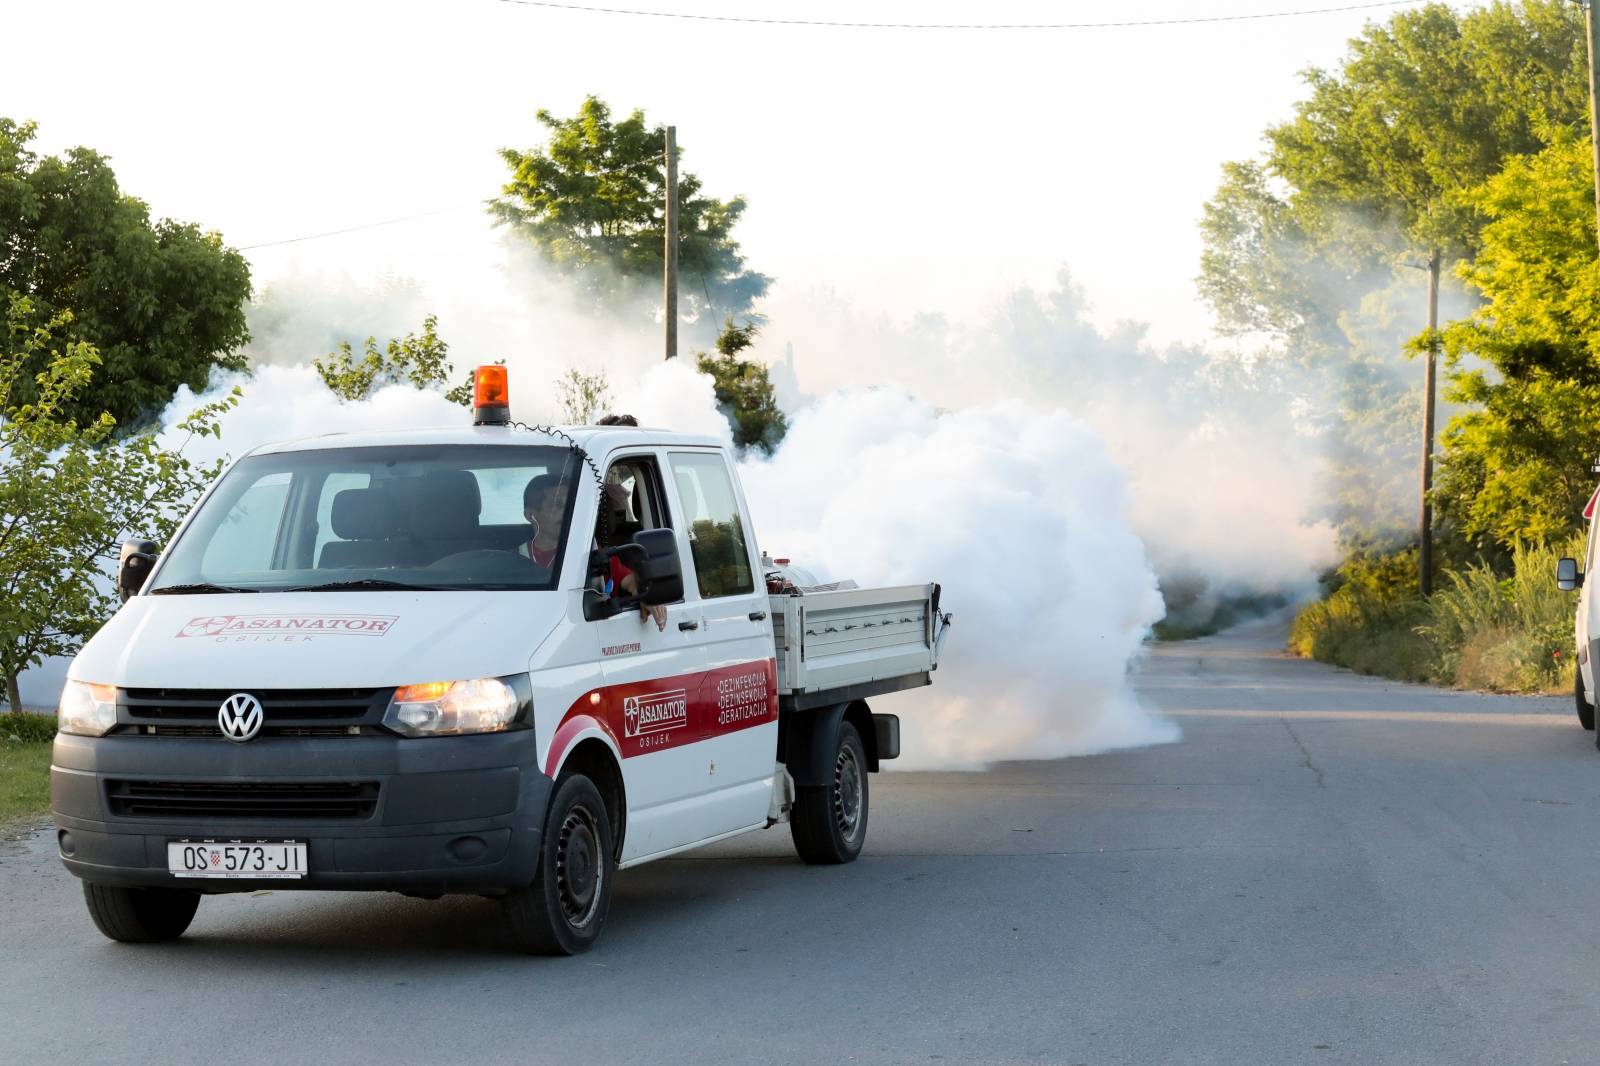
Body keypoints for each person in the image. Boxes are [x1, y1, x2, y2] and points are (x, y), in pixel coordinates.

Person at [519, 473, 568, 567]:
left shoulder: (585, 554)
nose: (566, 512)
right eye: (557, 505)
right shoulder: (511, 559)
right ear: (530, 515)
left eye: (569, 505)